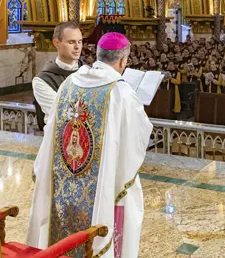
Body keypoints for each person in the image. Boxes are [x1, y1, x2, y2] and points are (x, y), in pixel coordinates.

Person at [27, 32, 153, 257]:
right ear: (122, 61)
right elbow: (139, 135)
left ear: (98, 55)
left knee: (62, 235)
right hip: (102, 183)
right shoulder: (121, 92)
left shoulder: (69, 84)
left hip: (65, 180)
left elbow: (52, 128)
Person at [32, 22, 83, 130]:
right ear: (56, 43)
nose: (77, 47)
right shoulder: (43, 80)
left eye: (80, 41)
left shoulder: (88, 72)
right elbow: (63, 113)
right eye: (71, 42)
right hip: (59, 135)